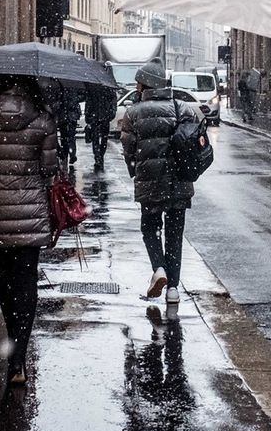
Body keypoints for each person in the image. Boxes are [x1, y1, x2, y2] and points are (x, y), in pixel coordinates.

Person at [0, 75, 61, 386]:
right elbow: (49, 169)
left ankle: (12, 341)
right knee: (27, 279)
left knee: (4, 276)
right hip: (31, 211)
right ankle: (19, 354)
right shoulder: (43, 118)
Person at [120, 59, 202, 307]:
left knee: (150, 228)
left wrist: (136, 170)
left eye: (138, 82)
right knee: (175, 235)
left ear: (145, 84)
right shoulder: (181, 107)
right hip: (179, 182)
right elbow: (194, 141)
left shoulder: (133, 113)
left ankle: (159, 269)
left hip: (150, 183)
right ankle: (173, 289)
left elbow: (128, 148)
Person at [84, 83, 119, 171]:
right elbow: (89, 101)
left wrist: (88, 115)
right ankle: (99, 157)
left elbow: (89, 102)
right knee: (100, 138)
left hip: (100, 116)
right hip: (100, 116)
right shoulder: (106, 86)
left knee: (99, 139)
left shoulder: (96, 86)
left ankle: (98, 157)